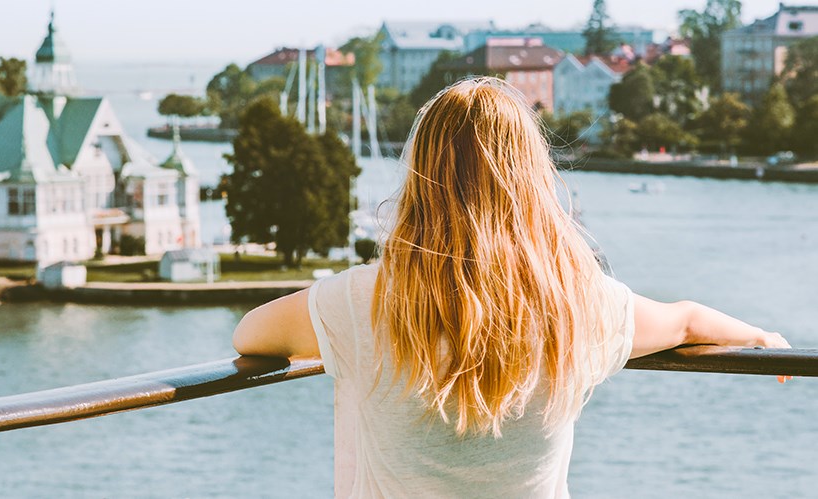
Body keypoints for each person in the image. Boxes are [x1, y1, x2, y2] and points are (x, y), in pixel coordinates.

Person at [232, 78, 791, 497]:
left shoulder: (361, 302)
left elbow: (249, 335)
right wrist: (760, 336)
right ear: (531, 178)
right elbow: (688, 321)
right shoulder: (579, 305)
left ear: (420, 176)